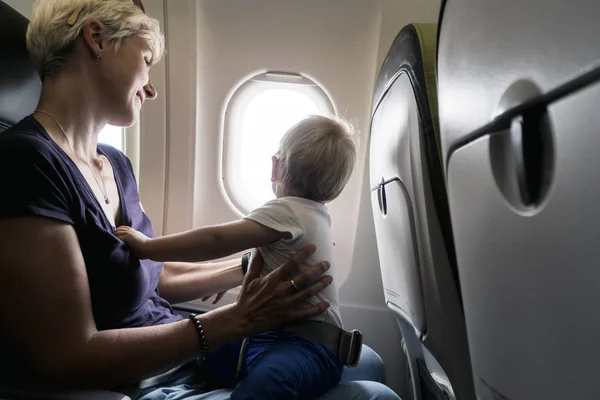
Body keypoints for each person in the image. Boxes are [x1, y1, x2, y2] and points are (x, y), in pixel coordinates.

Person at [0, 1, 401, 400]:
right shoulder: (26, 162)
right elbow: (67, 356)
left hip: (182, 355)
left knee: (368, 363)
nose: (152, 88)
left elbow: (150, 277)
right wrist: (235, 320)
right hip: (140, 380)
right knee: (374, 395)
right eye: (146, 58)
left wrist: (249, 270)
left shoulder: (115, 163)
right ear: (96, 39)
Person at [115, 115, 357, 399]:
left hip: (305, 346)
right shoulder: (316, 216)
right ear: (335, 190)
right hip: (281, 337)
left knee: (266, 384)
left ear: (275, 167)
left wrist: (147, 247)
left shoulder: (287, 210)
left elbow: (215, 241)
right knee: (214, 352)